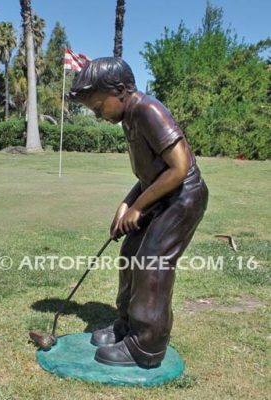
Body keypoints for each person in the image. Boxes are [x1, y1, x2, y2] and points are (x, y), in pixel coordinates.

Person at [69, 57, 208, 368]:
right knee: (131, 251)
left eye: (98, 106)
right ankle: (127, 325)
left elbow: (178, 168)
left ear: (119, 91)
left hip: (183, 197)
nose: (97, 114)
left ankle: (147, 344)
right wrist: (125, 205)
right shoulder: (129, 116)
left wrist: (139, 207)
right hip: (161, 193)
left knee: (151, 262)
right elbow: (150, 174)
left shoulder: (148, 110)